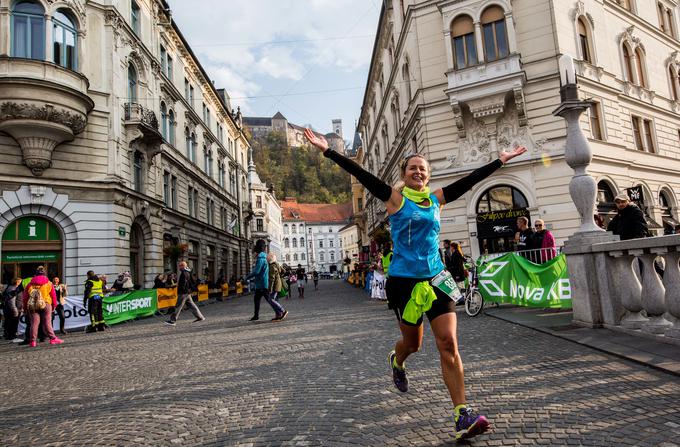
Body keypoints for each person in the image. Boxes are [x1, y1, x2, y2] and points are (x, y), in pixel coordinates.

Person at [305, 127, 526, 441]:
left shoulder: (435, 200)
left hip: (436, 278)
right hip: (404, 283)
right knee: (413, 344)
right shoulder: (395, 200)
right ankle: (397, 360)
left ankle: (462, 414)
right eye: (413, 169)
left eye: (423, 169)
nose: (418, 172)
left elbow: (467, 182)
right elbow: (363, 175)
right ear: (405, 175)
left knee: (448, 343)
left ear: (428, 175)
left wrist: (499, 162)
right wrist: (329, 151)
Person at [22, 266, 63, 347]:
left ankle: (33, 341)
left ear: (36, 274)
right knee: (47, 322)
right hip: (46, 303)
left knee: (34, 323)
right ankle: (52, 338)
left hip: (33, 305)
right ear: (44, 274)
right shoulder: (49, 283)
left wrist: (25, 308)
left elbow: (25, 297)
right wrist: (54, 305)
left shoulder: (29, 284)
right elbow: (53, 296)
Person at [165, 261, 204, 326]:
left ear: (183, 266)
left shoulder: (184, 273)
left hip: (183, 293)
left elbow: (183, 284)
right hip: (187, 292)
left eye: (180, 266)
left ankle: (172, 321)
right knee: (192, 305)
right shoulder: (188, 272)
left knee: (178, 306)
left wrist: (181, 289)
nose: (179, 267)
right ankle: (200, 317)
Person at [246, 239, 270, 321]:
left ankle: (281, 311)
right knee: (257, 299)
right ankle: (256, 315)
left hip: (262, 284)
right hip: (261, 283)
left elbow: (256, 271)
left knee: (269, 300)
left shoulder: (261, 259)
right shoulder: (263, 257)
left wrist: (246, 278)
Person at [267, 253, 289, 321]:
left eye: (267, 258)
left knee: (271, 299)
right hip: (278, 284)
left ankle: (282, 311)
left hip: (275, 285)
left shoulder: (272, 266)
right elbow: (284, 271)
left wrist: (270, 289)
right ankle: (278, 315)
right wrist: (279, 276)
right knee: (274, 299)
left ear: (269, 259)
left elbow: (272, 279)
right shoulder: (277, 264)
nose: (266, 259)